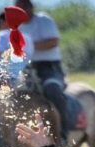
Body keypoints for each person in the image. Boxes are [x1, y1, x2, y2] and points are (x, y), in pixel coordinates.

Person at [14, 0, 70, 139]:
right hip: (26, 68)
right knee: (12, 95)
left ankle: (63, 132)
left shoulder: (44, 20)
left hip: (49, 67)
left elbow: (53, 42)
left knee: (52, 90)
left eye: (23, 7)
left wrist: (28, 46)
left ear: (30, 7)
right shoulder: (17, 27)